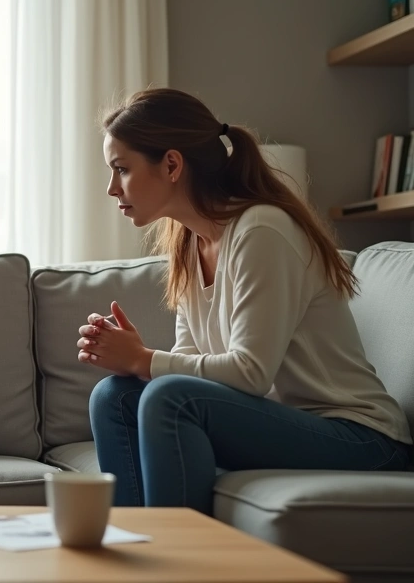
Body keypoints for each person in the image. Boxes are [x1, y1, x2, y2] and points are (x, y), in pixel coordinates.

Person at [80, 87, 412, 514]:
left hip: (359, 437)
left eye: (121, 169)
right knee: (113, 396)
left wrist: (143, 359)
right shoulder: (188, 244)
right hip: (278, 423)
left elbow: (251, 373)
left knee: (171, 397)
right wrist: (136, 362)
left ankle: (179, 562)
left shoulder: (261, 231)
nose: (111, 188)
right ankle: (137, 550)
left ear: (172, 164)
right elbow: (189, 364)